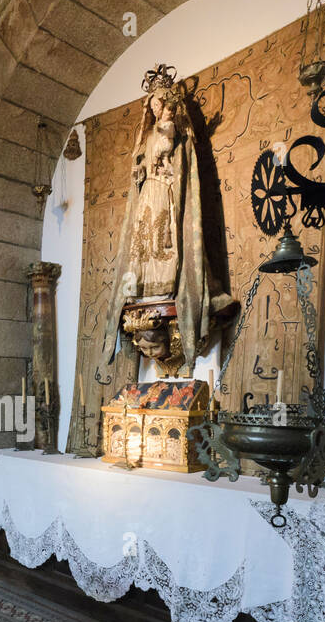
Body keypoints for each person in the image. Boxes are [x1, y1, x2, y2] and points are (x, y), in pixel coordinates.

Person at [97, 65, 235, 386]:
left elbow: (173, 156)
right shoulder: (146, 136)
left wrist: (166, 134)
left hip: (165, 190)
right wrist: (139, 170)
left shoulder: (169, 130)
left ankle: (163, 283)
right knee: (144, 238)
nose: (158, 108)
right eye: (154, 105)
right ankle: (143, 284)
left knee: (164, 234)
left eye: (162, 103)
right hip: (147, 193)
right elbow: (140, 165)